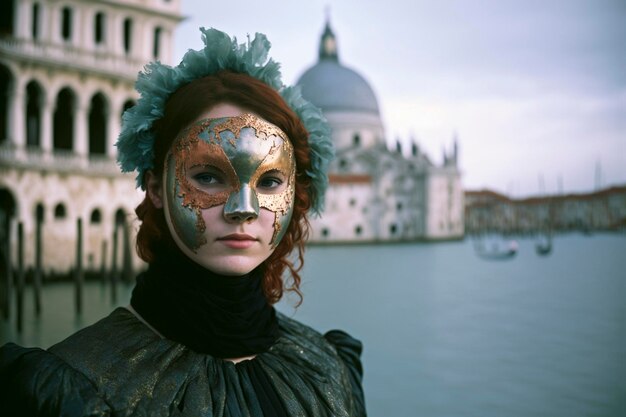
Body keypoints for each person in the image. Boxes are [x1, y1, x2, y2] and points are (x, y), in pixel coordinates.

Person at [0, 28, 366, 416]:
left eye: (270, 181)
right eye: (208, 176)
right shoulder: (73, 386)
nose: (244, 208)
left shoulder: (329, 368)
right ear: (156, 187)